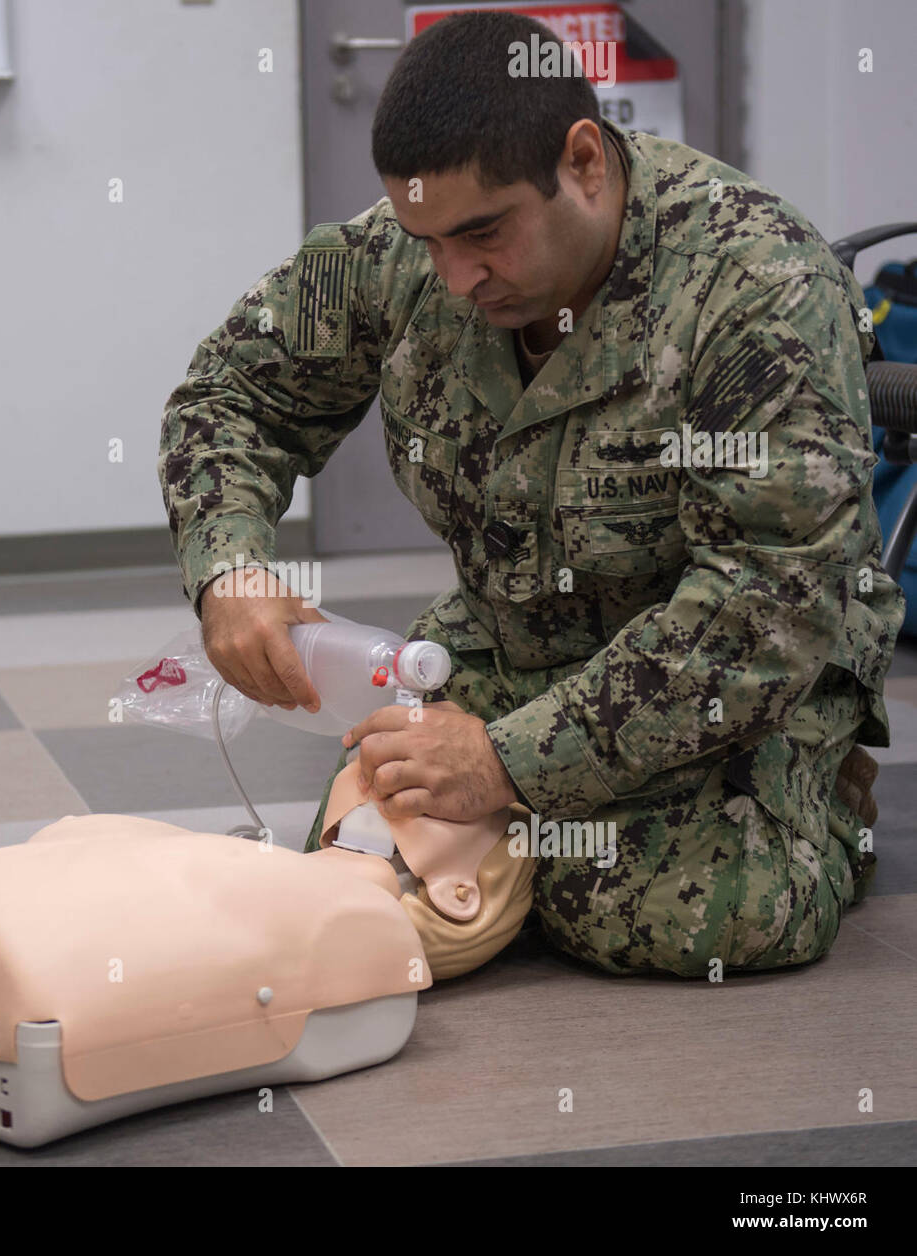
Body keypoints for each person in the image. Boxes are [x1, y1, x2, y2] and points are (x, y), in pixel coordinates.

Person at [157, 10, 905, 977]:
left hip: (728, 667)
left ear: (584, 163)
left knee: (673, 909)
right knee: (363, 856)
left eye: (484, 235)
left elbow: (766, 608)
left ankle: (822, 807)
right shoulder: (408, 250)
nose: (456, 276)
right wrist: (231, 569)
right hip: (514, 632)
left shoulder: (758, 287)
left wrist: (504, 766)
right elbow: (232, 395)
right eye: (428, 238)